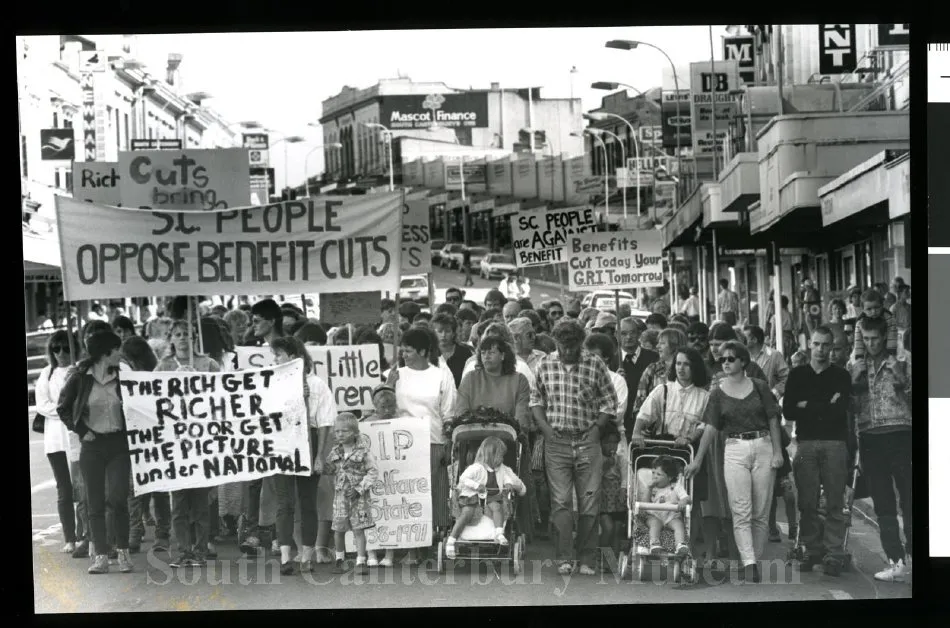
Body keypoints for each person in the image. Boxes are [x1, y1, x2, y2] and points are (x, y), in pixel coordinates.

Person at [685, 340, 783, 583]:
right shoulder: (717, 393)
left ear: (742, 361)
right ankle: (749, 563)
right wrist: (697, 460)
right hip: (735, 448)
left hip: (763, 446)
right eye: (722, 360)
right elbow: (710, 427)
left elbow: (773, 419)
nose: (725, 363)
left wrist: (779, 452)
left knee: (760, 511)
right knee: (741, 509)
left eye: (730, 358)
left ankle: (754, 559)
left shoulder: (759, 386)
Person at [531, 319, 618, 576]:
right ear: (556, 343)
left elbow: (609, 402)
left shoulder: (594, 363)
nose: (568, 351)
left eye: (573, 346)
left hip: (587, 440)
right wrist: (546, 428)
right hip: (556, 441)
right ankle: (564, 557)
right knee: (560, 501)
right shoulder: (545, 364)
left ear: (581, 343)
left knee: (590, 501)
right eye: (563, 346)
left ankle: (587, 558)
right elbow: (536, 400)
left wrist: (597, 429)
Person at [57, 331, 135, 575]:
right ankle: (100, 556)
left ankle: (122, 552)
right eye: (116, 350)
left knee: (119, 498)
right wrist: (80, 430)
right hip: (92, 446)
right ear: (105, 353)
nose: (120, 354)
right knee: (95, 502)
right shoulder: (80, 378)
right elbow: (63, 407)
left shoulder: (122, 376)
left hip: (118, 444)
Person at [782, 327, 853, 575]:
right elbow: (789, 411)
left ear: (832, 347)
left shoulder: (841, 376)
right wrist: (823, 404)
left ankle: (834, 552)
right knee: (807, 501)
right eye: (817, 344)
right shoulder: (797, 374)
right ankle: (812, 549)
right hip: (806, 443)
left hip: (835, 443)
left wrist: (806, 405)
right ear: (809, 346)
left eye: (826, 345)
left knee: (835, 501)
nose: (821, 350)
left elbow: (840, 409)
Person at [848, 316, 912, 582]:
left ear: (884, 337)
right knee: (883, 503)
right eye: (867, 338)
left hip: (901, 435)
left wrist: (902, 377)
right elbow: (848, 406)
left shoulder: (903, 360)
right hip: (870, 438)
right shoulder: (855, 364)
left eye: (876, 338)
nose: (872, 343)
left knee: (910, 499)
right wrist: (852, 378)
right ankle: (896, 562)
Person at [387, 328, 458, 564]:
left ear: (423, 351)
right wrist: (388, 384)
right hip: (401, 444)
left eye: (409, 350)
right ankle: (410, 547)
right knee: (406, 496)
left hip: (432, 440)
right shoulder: (395, 374)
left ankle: (430, 544)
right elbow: (382, 406)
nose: (404, 354)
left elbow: (449, 412)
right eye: (403, 349)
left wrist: (448, 442)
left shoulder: (441, 375)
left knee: (432, 494)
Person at [632, 347, 710, 558]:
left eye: (686, 364)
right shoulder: (663, 390)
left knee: (686, 502)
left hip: (686, 452)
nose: (681, 369)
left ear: (694, 367)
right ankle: (649, 541)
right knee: (653, 497)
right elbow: (645, 413)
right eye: (678, 364)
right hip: (663, 448)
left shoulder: (704, 396)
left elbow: (704, 424)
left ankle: (685, 546)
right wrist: (637, 432)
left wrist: (690, 437)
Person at [156, 320, 221, 568]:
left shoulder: (208, 364)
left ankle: (201, 550)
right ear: (171, 339)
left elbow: (223, 397)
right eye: (178, 334)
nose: (183, 338)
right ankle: (184, 551)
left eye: (188, 335)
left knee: (201, 503)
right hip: (175, 445)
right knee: (179, 503)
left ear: (194, 338)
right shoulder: (163, 367)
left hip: (202, 442)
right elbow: (151, 399)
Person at [269, 336, 335, 574]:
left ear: (293, 357)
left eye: (278, 354)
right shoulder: (272, 383)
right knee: (284, 502)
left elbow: (325, 422)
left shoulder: (317, 384)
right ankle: (286, 557)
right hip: (283, 443)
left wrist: (319, 456)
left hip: (309, 441)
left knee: (307, 502)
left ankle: (306, 555)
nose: (274, 359)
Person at [318, 413, 379, 576]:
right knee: (338, 529)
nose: (340, 435)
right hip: (340, 497)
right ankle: (340, 559)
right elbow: (330, 469)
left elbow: (373, 471)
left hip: (359, 498)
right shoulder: (335, 452)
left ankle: (361, 560)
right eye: (337, 432)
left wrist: (360, 488)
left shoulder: (363, 451)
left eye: (344, 431)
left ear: (354, 432)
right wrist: (324, 468)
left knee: (359, 529)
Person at [445, 436, 527, 559]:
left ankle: (499, 533)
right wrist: (476, 485)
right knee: (467, 513)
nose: (502, 459)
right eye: (500, 456)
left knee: (497, 508)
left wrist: (508, 483)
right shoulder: (476, 468)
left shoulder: (501, 469)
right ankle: (451, 540)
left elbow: (506, 478)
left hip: (491, 496)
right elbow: (463, 479)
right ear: (491, 456)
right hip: (472, 497)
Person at [36, 330, 78, 554]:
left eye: (66, 348)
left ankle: (84, 536)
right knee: (64, 489)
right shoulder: (47, 373)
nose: (62, 353)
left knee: (83, 488)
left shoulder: (79, 369)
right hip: (55, 440)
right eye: (56, 348)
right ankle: (69, 537)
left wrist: (65, 409)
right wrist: (64, 410)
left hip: (76, 436)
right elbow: (42, 404)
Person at [618, 318, 658, 441]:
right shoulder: (613, 360)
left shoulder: (653, 358)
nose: (628, 337)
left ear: (639, 334)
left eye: (632, 333)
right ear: (617, 335)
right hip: (620, 425)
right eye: (623, 333)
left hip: (646, 424)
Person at [647, 456, 692, 557]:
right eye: (653, 473)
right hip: (655, 515)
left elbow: (688, 498)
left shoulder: (675, 486)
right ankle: (654, 543)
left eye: (658, 474)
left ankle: (680, 544)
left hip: (671, 516)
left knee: (679, 525)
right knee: (654, 523)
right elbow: (645, 503)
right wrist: (648, 489)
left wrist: (683, 501)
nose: (654, 477)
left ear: (670, 477)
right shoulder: (652, 488)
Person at [596, 423, 625, 571]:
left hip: (617, 498)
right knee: (608, 527)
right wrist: (605, 465)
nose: (611, 446)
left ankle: (612, 562)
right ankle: (601, 557)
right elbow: (594, 477)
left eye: (614, 442)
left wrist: (623, 490)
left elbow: (625, 477)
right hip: (603, 498)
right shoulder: (598, 458)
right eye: (607, 442)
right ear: (600, 442)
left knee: (617, 529)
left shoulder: (620, 458)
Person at [432, 313, 473, 388]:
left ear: (454, 333)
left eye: (447, 331)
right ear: (434, 333)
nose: (443, 335)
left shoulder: (464, 352)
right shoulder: (429, 353)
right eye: (440, 331)